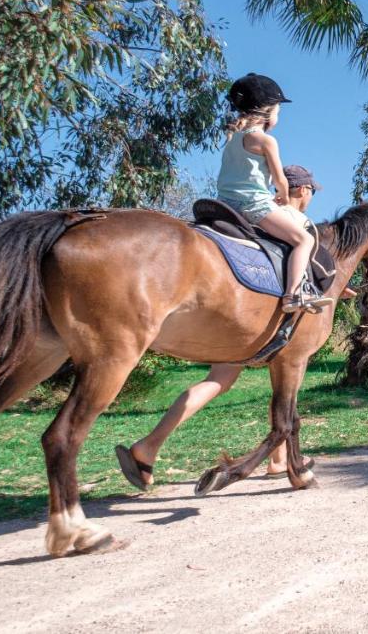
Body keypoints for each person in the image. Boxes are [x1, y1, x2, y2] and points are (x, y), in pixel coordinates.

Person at [114, 164, 323, 491]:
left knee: (216, 381)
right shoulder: (296, 222)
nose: (311, 197)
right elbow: (308, 265)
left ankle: (150, 445)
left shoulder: (257, 213)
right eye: (311, 191)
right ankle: (278, 460)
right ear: (303, 190)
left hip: (238, 313)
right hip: (262, 318)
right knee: (286, 376)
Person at [216, 73, 328, 313]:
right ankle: (294, 294)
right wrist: (284, 197)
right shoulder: (267, 141)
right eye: (278, 110)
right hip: (253, 204)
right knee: (304, 239)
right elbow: (279, 180)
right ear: (267, 111)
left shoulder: (232, 137)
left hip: (224, 202)